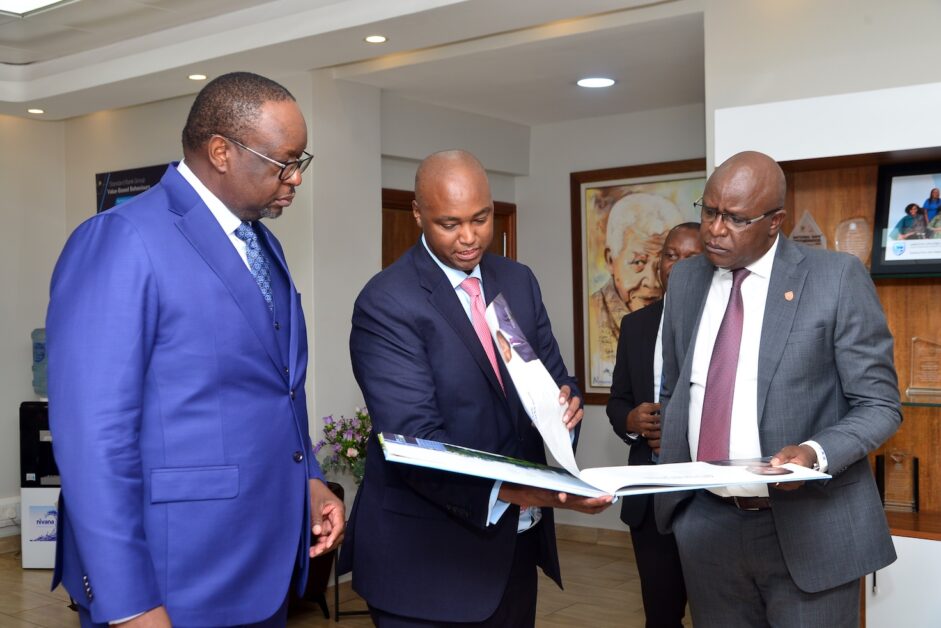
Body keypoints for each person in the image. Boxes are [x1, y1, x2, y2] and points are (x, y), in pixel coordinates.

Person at [46, 72, 345, 627]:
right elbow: (93, 440)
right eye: (285, 161)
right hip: (173, 575)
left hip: (262, 568)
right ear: (221, 152)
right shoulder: (121, 239)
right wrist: (130, 601)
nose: (296, 178)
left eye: (302, 161)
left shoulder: (262, 242)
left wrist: (306, 481)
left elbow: (276, 384)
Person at [340, 149, 611, 627]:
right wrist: (533, 492)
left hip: (514, 548)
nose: (469, 237)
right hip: (428, 562)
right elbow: (416, 441)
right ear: (418, 214)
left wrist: (565, 405)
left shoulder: (517, 281)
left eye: (481, 219)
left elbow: (551, 375)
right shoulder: (388, 302)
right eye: (449, 224)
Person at [655, 151, 901, 627]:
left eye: (735, 218)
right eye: (708, 211)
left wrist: (814, 452)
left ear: (775, 222)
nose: (714, 230)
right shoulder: (686, 280)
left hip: (809, 526)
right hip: (707, 524)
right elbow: (675, 392)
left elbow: (879, 405)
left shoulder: (835, 278)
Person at [606, 222, 701, 628]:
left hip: (708, 498)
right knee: (660, 616)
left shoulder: (727, 324)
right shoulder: (636, 326)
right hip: (650, 495)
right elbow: (618, 401)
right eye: (670, 255)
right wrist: (631, 419)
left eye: (691, 257)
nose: (677, 265)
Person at [589, 193, 685, 386]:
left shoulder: (677, 315)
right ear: (610, 260)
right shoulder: (595, 312)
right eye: (638, 262)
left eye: (661, 263)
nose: (653, 281)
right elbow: (618, 402)